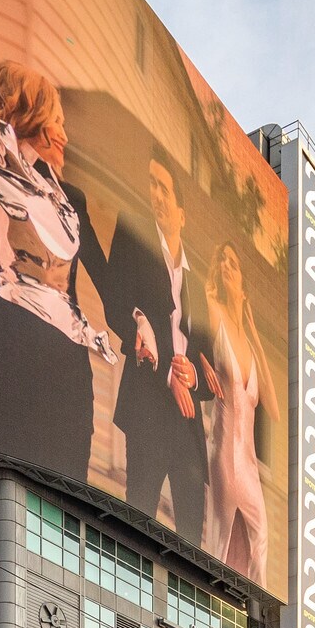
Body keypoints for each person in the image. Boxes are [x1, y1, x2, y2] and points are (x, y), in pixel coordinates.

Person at [0, 61, 117, 479]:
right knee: (4, 484)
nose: (65, 135)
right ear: (30, 117)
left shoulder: (71, 198)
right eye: (57, 122)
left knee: (67, 488)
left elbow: (108, 280)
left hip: (65, 367)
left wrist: (140, 322)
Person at [107, 152, 210, 544]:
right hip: (147, 405)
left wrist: (194, 376)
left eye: (164, 188)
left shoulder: (196, 280)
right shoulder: (133, 234)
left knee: (191, 538)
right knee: (138, 524)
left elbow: (208, 358)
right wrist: (167, 370)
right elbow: (116, 302)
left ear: (182, 214)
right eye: (152, 185)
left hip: (187, 422)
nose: (156, 195)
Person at [200, 242, 281, 585]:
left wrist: (256, 337)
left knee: (260, 538)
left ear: (244, 286)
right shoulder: (213, 310)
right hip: (223, 452)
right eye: (223, 261)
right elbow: (197, 342)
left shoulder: (249, 342)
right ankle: (207, 598)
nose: (227, 267)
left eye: (233, 263)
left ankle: (255, 609)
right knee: (220, 540)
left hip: (248, 463)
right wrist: (202, 361)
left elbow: (273, 408)